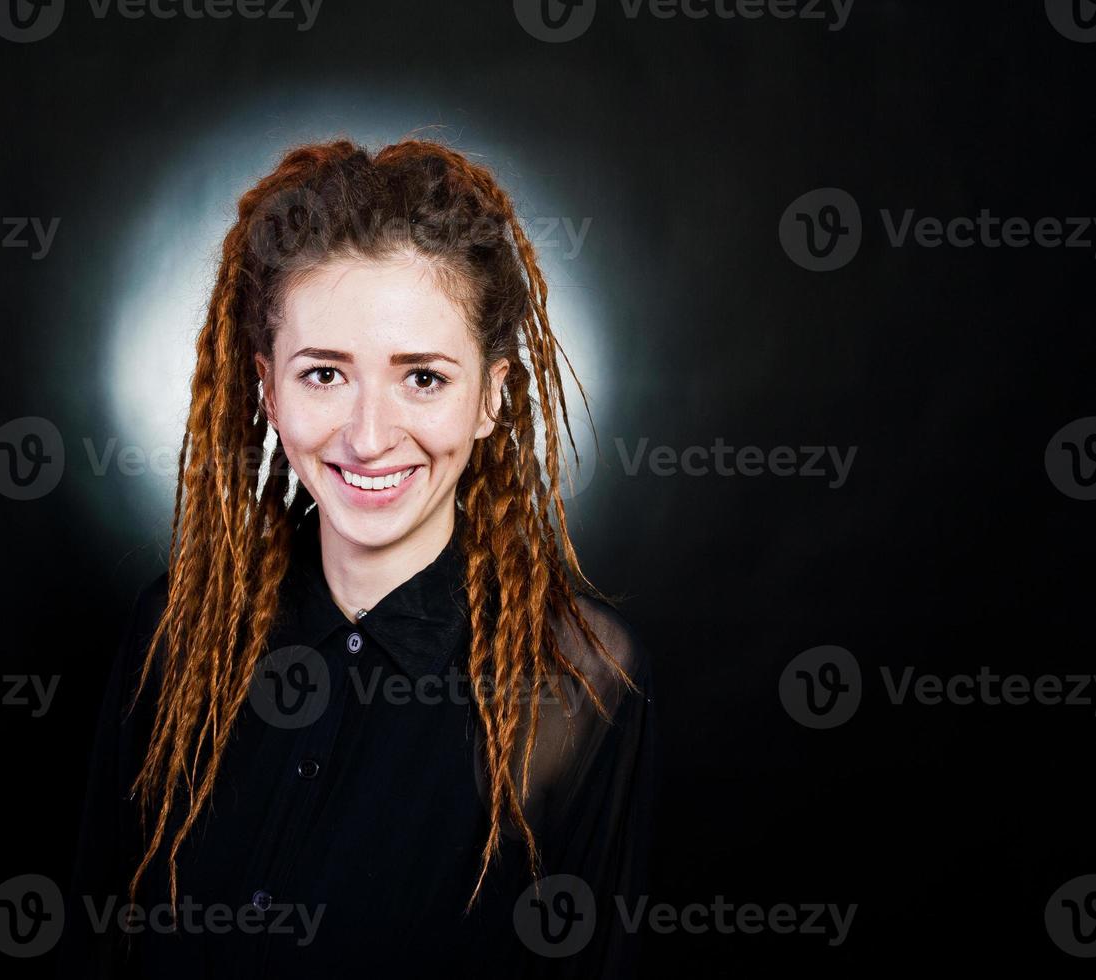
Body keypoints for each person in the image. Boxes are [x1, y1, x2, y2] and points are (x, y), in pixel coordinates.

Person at [60, 138, 657, 978]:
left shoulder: (577, 677)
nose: (369, 438)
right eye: (323, 375)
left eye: (422, 378)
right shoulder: (174, 629)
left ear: (491, 395)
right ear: (267, 389)